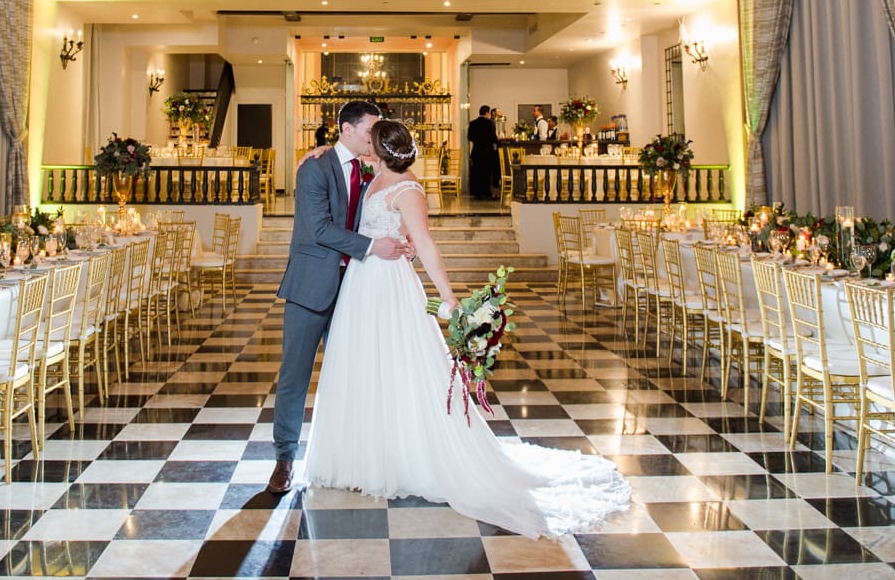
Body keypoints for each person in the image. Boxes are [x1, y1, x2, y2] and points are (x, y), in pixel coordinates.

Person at [303, 120, 632, 538]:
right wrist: (314, 154)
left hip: (389, 285)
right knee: (364, 366)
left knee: (401, 366)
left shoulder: (407, 189)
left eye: (371, 141)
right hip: (360, 286)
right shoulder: (374, 174)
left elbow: (425, 246)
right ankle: (365, 453)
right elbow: (348, 160)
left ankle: (403, 455)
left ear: (381, 149)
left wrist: (449, 299)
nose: (364, 145)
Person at [269, 100, 411, 494]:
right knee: (295, 377)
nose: (375, 139)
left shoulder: (370, 170)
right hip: (310, 286)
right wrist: (372, 246)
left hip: (354, 290)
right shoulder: (315, 168)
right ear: (346, 129)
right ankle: (284, 458)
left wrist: (402, 239)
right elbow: (319, 229)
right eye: (370, 132)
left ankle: (348, 456)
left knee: (349, 376)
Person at [467, 105, 499, 200]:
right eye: (489, 113)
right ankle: (486, 192)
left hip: (476, 151)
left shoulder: (473, 123)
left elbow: (470, 137)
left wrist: (478, 141)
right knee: (487, 173)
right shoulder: (489, 123)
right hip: (487, 152)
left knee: (477, 172)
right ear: (486, 113)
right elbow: (493, 137)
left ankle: (477, 193)